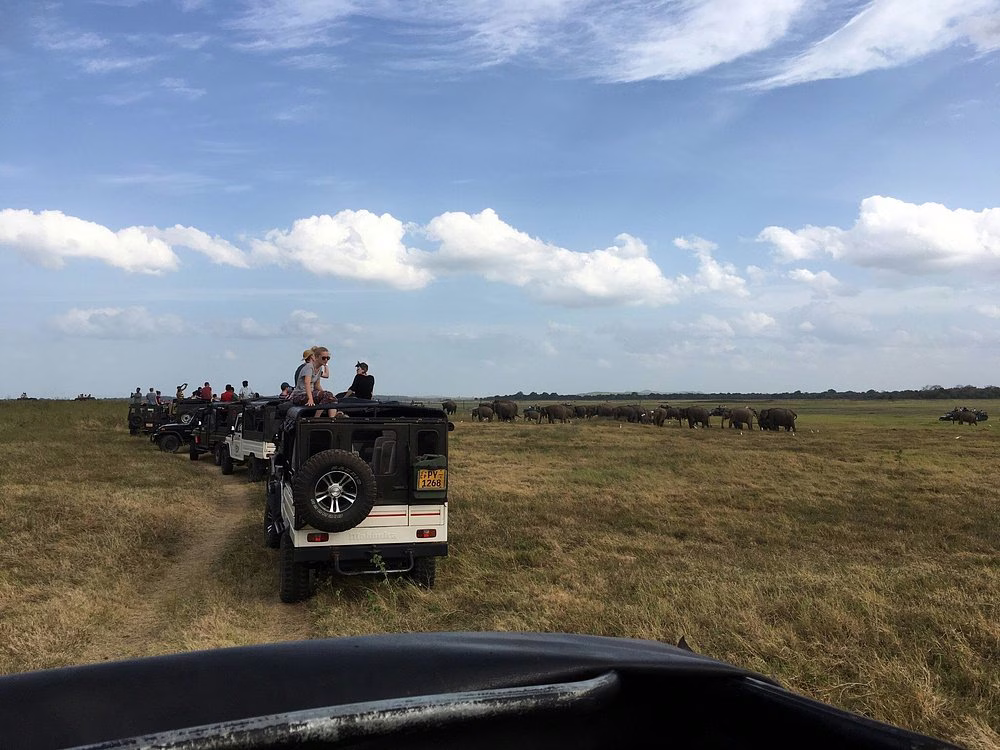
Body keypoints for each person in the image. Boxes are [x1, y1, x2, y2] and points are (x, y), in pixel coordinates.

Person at [290, 347, 337, 416]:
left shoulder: (319, 369)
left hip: (310, 393)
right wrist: (310, 399)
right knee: (327, 395)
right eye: (323, 358)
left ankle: (332, 419)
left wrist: (327, 395)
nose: (326, 360)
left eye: (328, 358)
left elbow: (317, 385)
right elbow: (307, 383)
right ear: (316, 357)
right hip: (300, 395)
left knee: (332, 398)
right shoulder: (309, 367)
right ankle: (316, 417)